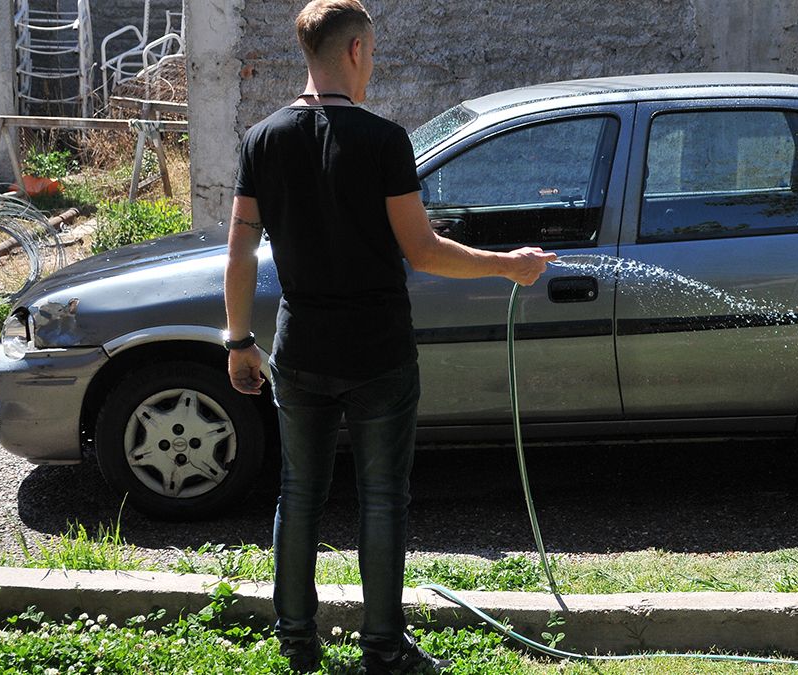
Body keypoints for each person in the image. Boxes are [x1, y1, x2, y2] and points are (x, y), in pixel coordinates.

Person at [222, 1, 555, 672]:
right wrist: (508, 266)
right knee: (382, 496)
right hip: (378, 352)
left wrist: (237, 342)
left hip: (303, 348)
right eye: (370, 52)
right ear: (352, 52)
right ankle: (382, 645)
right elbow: (424, 251)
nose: (371, 64)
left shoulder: (262, 139)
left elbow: (239, 249)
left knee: (299, 491)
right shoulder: (382, 140)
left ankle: (296, 641)